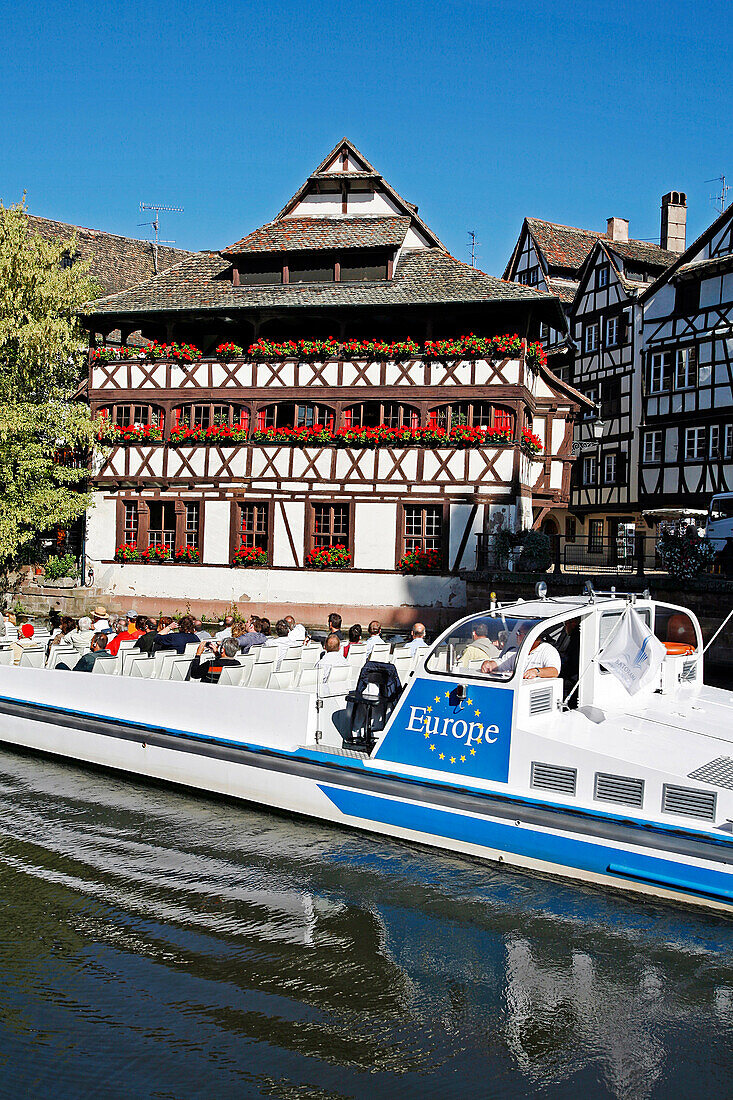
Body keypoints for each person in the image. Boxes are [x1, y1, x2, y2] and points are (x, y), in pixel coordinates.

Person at [481, 623, 561, 680]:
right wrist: (490, 664)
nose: (516, 635)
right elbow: (501, 664)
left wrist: (536, 671)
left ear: (530, 635)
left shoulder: (548, 650)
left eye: (519, 633)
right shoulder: (515, 652)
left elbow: (554, 671)